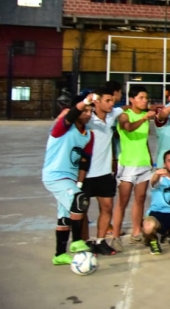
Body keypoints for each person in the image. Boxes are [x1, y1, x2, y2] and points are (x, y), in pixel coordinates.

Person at [42, 93, 95, 266]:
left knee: (64, 217)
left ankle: (59, 255)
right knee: (80, 199)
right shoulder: (62, 127)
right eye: (85, 110)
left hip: (70, 180)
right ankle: (77, 241)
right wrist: (86, 100)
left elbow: (84, 163)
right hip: (55, 175)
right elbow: (71, 115)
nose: (88, 113)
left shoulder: (89, 135)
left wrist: (78, 183)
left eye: (90, 110)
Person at [112, 85, 156, 252]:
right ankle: (115, 236)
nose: (145, 101)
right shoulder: (124, 115)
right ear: (132, 99)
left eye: (146, 98)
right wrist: (145, 119)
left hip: (143, 164)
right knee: (122, 202)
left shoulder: (145, 115)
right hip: (128, 164)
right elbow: (128, 128)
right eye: (141, 98)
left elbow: (144, 141)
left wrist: (150, 160)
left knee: (140, 199)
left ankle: (136, 233)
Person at [82, 87, 122, 256]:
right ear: (96, 102)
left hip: (105, 173)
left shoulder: (113, 114)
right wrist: (85, 103)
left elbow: (127, 108)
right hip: (85, 173)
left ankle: (100, 241)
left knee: (107, 207)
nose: (112, 104)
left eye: (112, 100)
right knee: (81, 210)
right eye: (108, 100)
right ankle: (85, 242)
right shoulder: (86, 118)